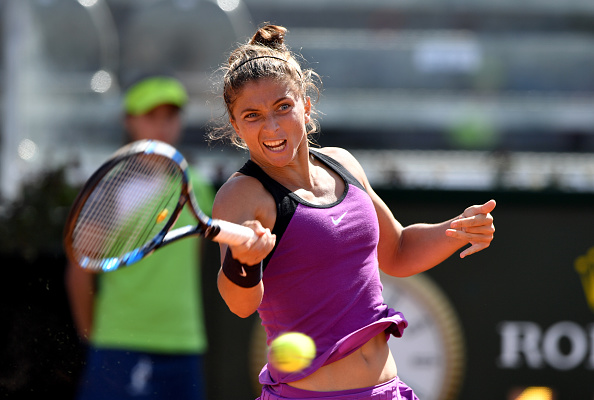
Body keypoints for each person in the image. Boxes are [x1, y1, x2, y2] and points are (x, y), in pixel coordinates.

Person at [208, 25, 496, 400]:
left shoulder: (343, 164)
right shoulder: (242, 196)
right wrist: (244, 263)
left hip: (389, 391)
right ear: (235, 126)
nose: (272, 126)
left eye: (283, 107)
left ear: (305, 105)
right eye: (253, 115)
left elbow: (398, 251)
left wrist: (457, 229)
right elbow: (239, 303)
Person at [65, 76, 214, 400]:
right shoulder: (109, 189)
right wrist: (95, 338)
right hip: (120, 346)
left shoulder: (198, 187)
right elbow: (80, 272)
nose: (161, 126)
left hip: (184, 343)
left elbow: (193, 261)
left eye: (170, 117)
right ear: (129, 121)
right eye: (151, 116)